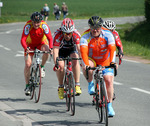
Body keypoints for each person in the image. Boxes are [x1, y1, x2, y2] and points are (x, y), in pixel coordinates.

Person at [80, 16, 116, 117]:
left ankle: (109, 105)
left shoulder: (108, 34)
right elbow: (83, 53)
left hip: (105, 60)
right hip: (92, 60)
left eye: (97, 27)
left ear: (101, 27)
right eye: (93, 27)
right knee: (87, 65)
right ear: (89, 27)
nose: (95, 30)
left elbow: (113, 49)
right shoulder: (85, 36)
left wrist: (112, 62)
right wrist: (86, 65)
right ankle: (91, 83)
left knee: (108, 80)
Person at [21, 12, 53, 96]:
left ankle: (41, 67)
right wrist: (26, 48)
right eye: (34, 22)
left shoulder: (44, 25)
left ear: (41, 21)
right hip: (30, 44)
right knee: (28, 64)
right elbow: (23, 39)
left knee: (46, 50)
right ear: (32, 21)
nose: (36, 24)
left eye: (37, 22)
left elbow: (50, 38)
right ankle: (27, 85)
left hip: (41, 43)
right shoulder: (28, 26)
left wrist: (51, 48)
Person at [53, 18, 82, 100]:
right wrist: (56, 63)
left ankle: (77, 84)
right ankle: (61, 87)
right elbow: (55, 51)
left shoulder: (76, 34)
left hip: (71, 50)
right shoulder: (58, 35)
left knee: (75, 59)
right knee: (61, 66)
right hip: (60, 51)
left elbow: (79, 49)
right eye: (66, 33)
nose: (68, 35)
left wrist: (83, 61)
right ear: (62, 31)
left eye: (69, 33)